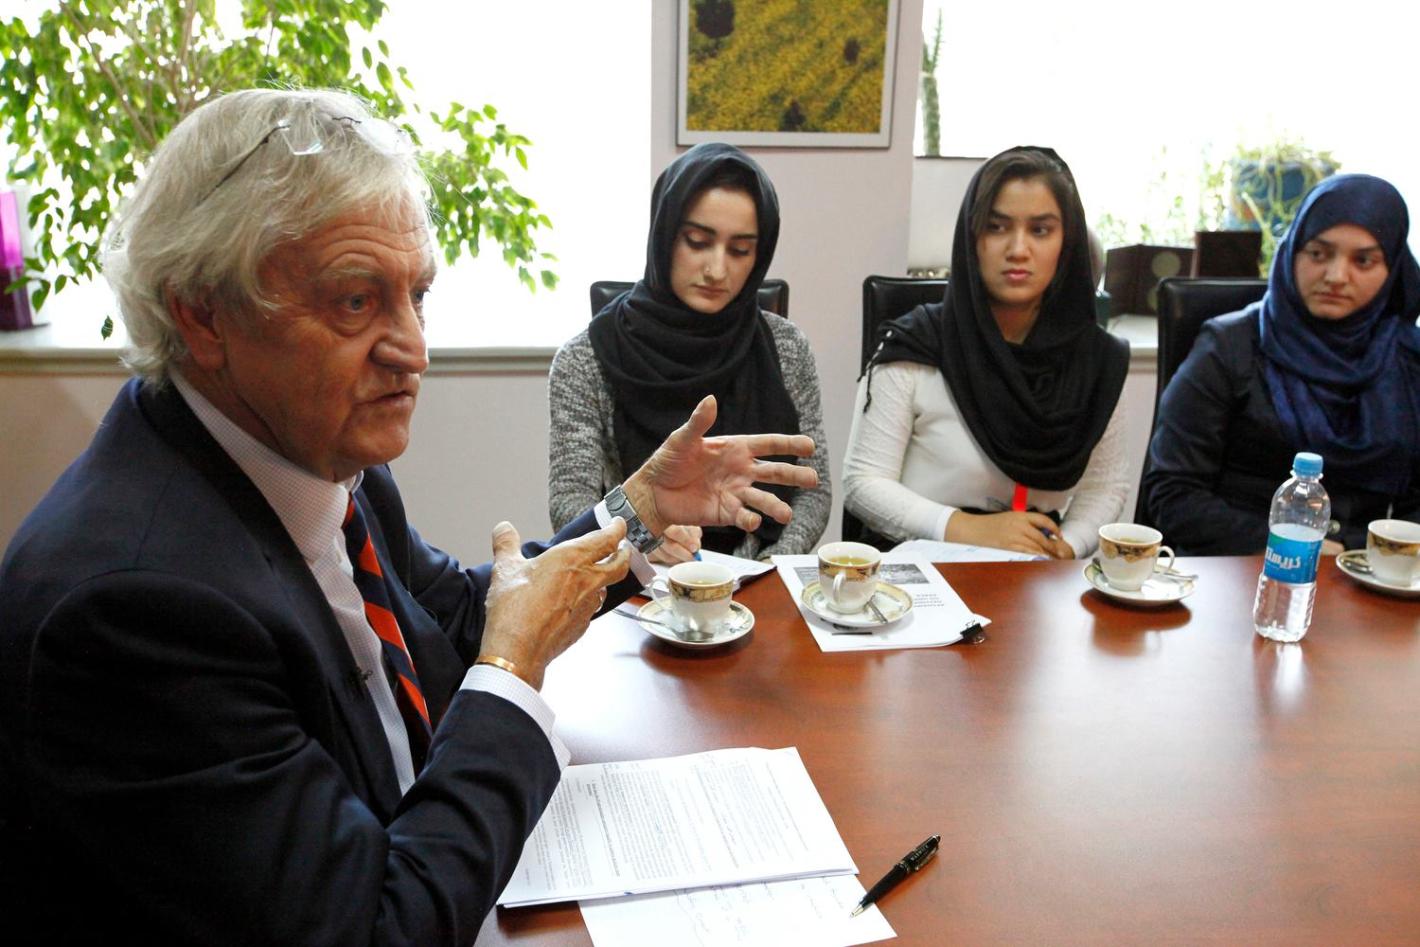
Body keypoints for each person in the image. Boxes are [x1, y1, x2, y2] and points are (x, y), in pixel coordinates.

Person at [0, 89, 817, 945]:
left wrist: (638, 511)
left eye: (416, 295)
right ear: (203, 314)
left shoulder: (316, 455)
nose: (413, 350)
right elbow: (376, 929)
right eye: (355, 301)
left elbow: (454, 616)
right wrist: (512, 668)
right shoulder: (133, 612)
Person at [548, 142, 830, 563]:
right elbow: (569, 501)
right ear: (665, 237)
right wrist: (642, 537)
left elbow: (814, 490)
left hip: (759, 574)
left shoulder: (787, 348)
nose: (717, 270)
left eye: (740, 250)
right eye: (697, 242)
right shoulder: (585, 359)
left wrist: (768, 567)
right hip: (638, 581)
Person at [842, 146, 1129, 558]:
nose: (1018, 249)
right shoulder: (916, 343)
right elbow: (863, 481)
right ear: (971, 237)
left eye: (1040, 230)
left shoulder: (1099, 362)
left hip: (1040, 572)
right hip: (922, 567)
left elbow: (1106, 486)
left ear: (1066, 243)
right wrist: (965, 528)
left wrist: (1068, 547)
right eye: (996, 227)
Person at [1143, 173, 1420, 555]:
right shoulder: (1229, 347)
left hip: (1367, 571)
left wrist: (1353, 551)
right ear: (1292, 252)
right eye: (1318, 254)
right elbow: (1173, 495)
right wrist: (1294, 547)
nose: (1336, 276)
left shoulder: (1408, 360)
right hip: (1238, 566)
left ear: (1393, 270)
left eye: (1363, 260)